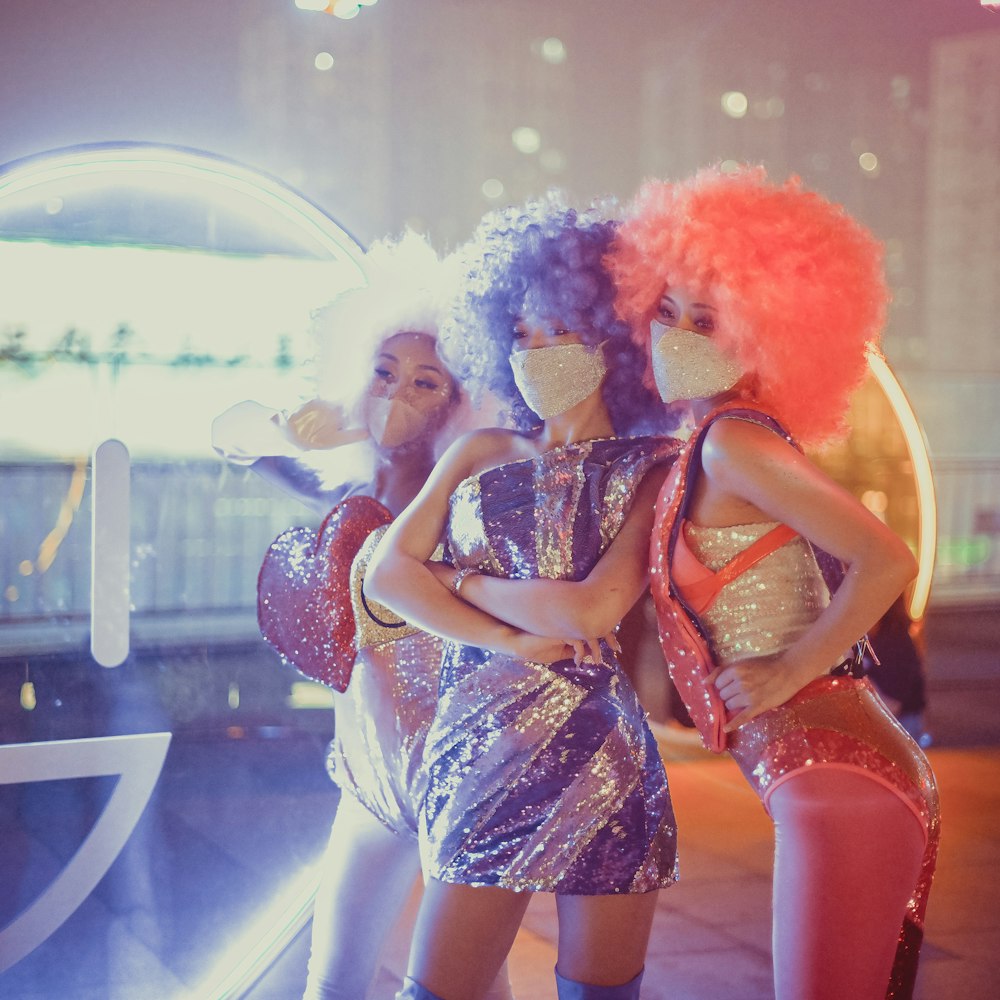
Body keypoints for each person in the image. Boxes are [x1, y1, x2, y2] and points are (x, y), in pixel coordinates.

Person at [609, 166, 940, 1000]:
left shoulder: (735, 445)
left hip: (838, 776)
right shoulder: (707, 442)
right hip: (814, 773)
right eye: (668, 313)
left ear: (760, 334)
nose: (677, 335)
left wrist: (788, 669)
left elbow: (888, 559)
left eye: (707, 320)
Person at [365, 196, 680, 1000]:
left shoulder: (657, 466)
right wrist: (513, 640)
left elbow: (590, 613)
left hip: (604, 754)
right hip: (481, 743)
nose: (537, 353)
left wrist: (453, 580)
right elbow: (381, 577)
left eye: (560, 332)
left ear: (612, 342)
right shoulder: (478, 449)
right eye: (521, 335)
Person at [213, 231, 512, 1000]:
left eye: (425, 383)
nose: (398, 395)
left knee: (464, 985)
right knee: (334, 978)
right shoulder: (347, 487)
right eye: (385, 374)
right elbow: (230, 432)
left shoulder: (466, 498)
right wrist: (306, 421)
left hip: (456, 773)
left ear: (461, 397)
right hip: (368, 777)